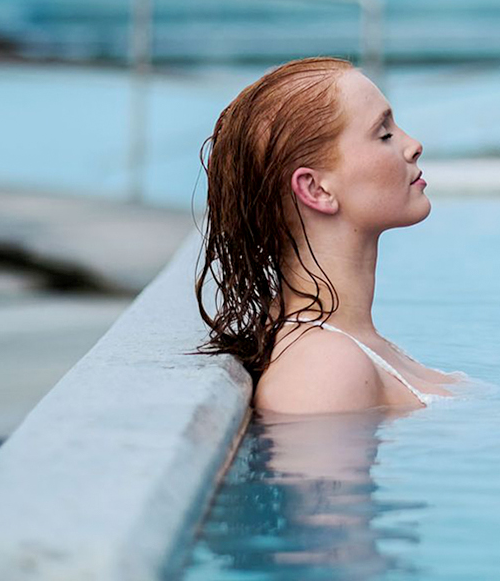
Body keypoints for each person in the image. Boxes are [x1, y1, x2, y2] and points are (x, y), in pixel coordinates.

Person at [194, 56, 465, 415]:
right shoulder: (324, 370)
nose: (413, 144)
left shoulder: (350, 344)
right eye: (384, 134)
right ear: (316, 189)